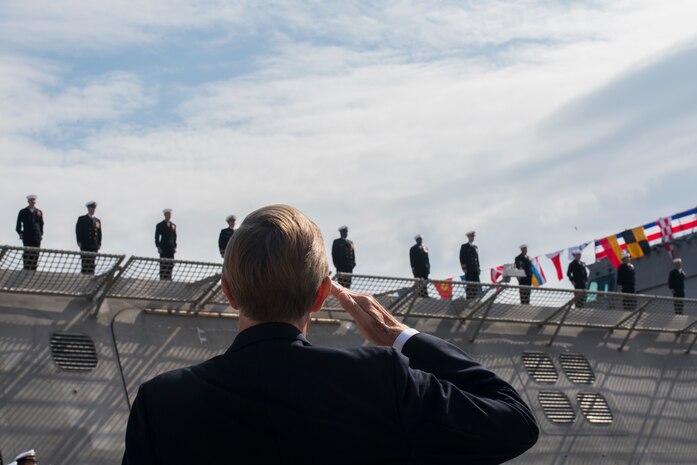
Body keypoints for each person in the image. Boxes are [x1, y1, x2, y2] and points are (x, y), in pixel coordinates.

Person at [122, 204, 539, 464]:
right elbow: (515, 423)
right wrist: (400, 335)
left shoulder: (161, 403)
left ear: (228, 292)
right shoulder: (378, 379)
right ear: (322, 294)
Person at [15, 195, 44, 270]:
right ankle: (26, 267)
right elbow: (18, 223)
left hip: (37, 235)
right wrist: (20, 232)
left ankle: (34, 268)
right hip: (27, 234)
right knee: (27, 251)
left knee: (36, 251)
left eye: (34, 200)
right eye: (31, 200)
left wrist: (41, 234)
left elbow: (41, 224)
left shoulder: (39, 212)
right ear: (28, 201)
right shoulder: (23, 211)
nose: (33, 201)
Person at [75, 201, 102, 274]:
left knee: (92, 262)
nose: (92, 210)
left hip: (94, 245)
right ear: (88, 209)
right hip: (85, 244)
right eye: (91, 208)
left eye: (94, 208)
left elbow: (99, 233)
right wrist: (79, 241)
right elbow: (78, 231)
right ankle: (84, 275)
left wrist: (99, 243)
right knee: (85, 261)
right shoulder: (82, 219)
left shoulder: (97, 221)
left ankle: (91, 274)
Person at [155, 209, 177, 280]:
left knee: (171, 263)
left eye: (170, 214)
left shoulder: (173, 225)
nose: (169, 215)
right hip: (163, 247)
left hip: (171, 247)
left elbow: (174, 236)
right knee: (163, 263)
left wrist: (174, 246)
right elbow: (157, 237)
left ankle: (169, 278)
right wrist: (158, 247)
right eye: (167, 214)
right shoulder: (160, 225)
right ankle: (162, 278)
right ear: (164, 215)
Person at [459, 231, 481, 300]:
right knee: (470, 285)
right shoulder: (464, 246)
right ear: (468, 237)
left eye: (473, 237)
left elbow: (477, 259)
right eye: (471, 236)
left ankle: (474, 299)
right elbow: (462, 257)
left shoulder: (475, 247)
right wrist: (464, 267)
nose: (472, 238)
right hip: (469, 269)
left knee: (476, 285)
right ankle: (469, 299)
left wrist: (478, 268)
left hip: (475, 270)